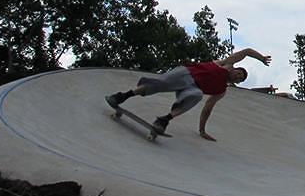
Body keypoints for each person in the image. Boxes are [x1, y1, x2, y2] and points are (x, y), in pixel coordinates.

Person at [105, 48, 272, 141]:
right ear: (234, 69)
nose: (238, 76)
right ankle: (123, 96)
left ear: (238, 83)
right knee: (159, 84)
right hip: (186, 74)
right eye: (239, 73)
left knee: (196, 96)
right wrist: (261, 58)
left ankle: (163, 120)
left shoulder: (221, 91)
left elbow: (207, 108)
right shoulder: (226, 63)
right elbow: (247, 51)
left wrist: (202, 130)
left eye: (240, 78)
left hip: (192, 88)